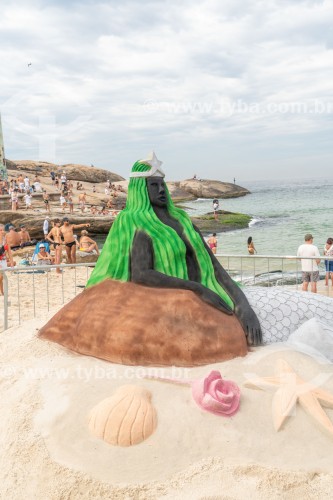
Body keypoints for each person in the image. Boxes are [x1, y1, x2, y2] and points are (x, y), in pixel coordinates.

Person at [87, 155, 262, 346]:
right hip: (172, 299)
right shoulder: (133, 222)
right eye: (153, 185)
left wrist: (243, 305)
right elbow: (140, 274)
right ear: (140, 189)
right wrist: (197, 289)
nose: (162, 190)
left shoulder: (183, 219)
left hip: (209, 288)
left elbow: (213, 265)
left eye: (162, 184)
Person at [0, 224, 14, 295]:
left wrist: (11, 263)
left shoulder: (6, 241)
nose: (2, 232)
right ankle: (2, 292)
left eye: (3, 230)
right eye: (0, 230)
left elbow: (10, 253)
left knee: (1, 277)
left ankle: (2, 292)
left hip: (3, 261)